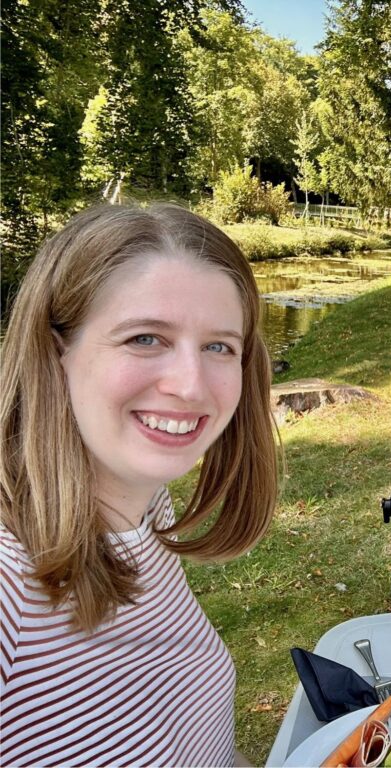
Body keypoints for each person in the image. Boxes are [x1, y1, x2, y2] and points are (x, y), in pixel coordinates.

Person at [0, 204, 279, 767]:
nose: (190, 385)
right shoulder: (9, 585)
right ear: (58, 352)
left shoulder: (145, 506)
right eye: (145, 338)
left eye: (219, 346)